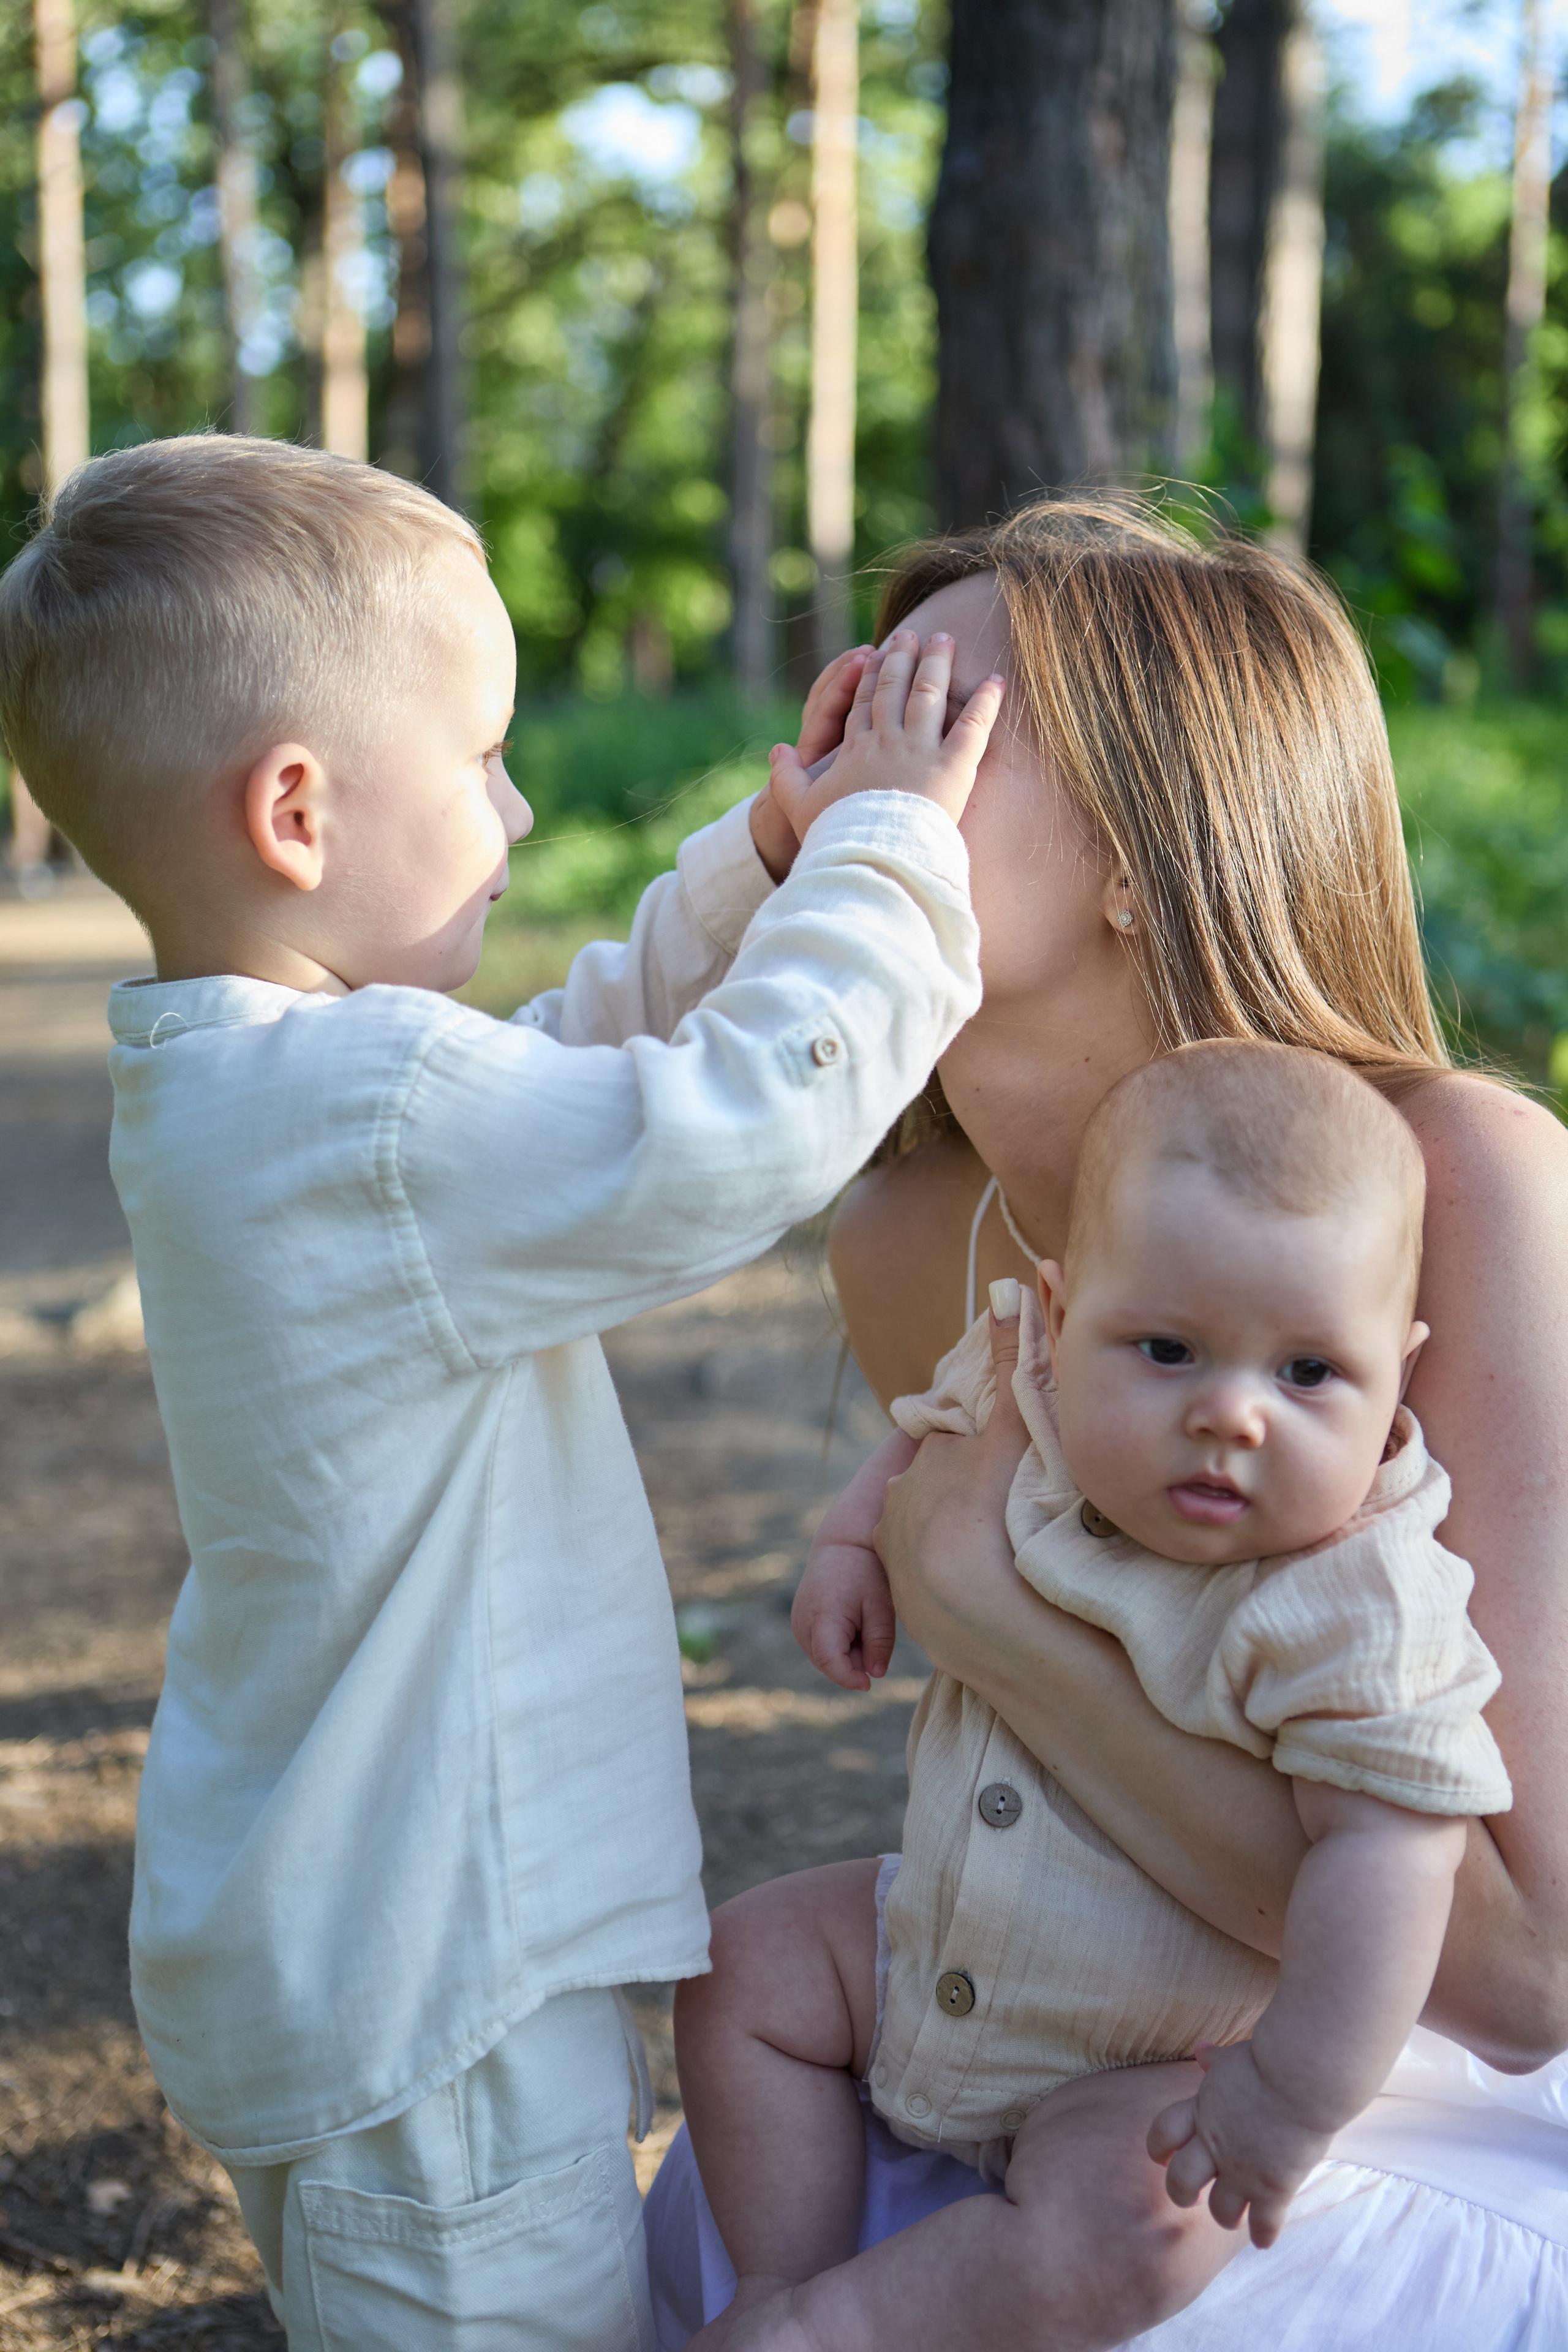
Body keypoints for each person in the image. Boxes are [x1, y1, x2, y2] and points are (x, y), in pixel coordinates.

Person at [0, 431, 1006, 2351]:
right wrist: (897, 851)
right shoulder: (365, 1114)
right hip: (440, 1981)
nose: (523, 806)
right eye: (478, 760)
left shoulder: (252, 1087)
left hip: (355, 1946)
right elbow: (727, 1131)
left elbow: (568, 1068)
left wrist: (771, 856)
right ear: (298, 812)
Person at [645, 499, 1568, 2351]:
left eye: (939, 720)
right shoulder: (916, 1227)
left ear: (1150, 855)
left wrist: (987, 1614)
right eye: (846, 715)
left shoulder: (1457, 1181)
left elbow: (1528, 1974)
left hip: (1382, 2079)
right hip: (1084, 2023)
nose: (843, 773)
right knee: (708, 2214)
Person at [671, 1041, 1512, 2350]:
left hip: (1144, 2055)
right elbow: (923, 1427)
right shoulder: (1032, 1391)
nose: (1230, 1416)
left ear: (1394, 1374)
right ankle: (776, 2279)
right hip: (929, 1938)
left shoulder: (1358, 1593)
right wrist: (850, 1542)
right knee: (743, 1971)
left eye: (1306, 1374)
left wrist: (1284, 2096)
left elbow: (1392, 1855)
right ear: (1057, 1320)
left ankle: (841, 2330)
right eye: (1167, 1350)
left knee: (1141, 2222)